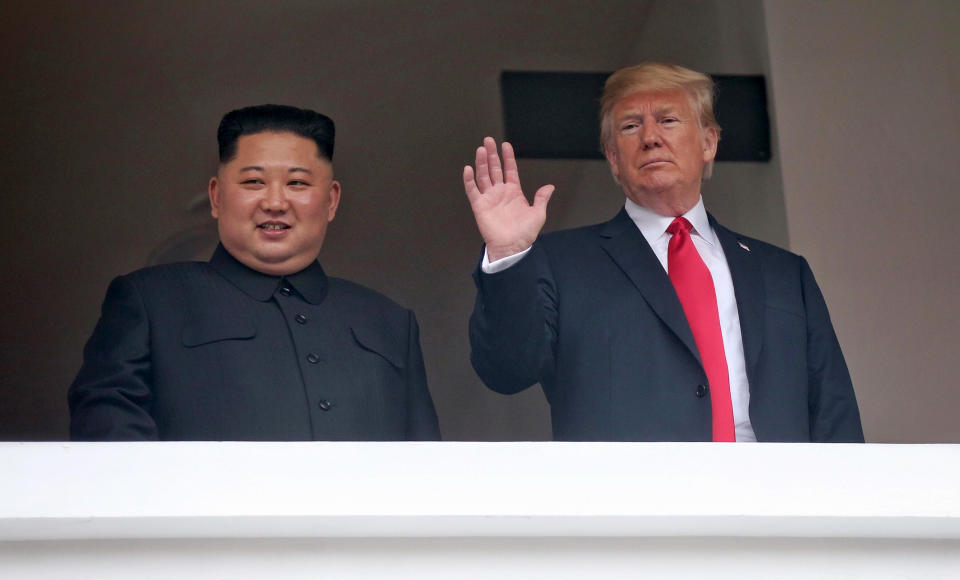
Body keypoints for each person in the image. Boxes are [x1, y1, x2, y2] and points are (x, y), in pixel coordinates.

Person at [464, 62, 862, 443]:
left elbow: (833, 411)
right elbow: (505, 372)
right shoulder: (561, 263)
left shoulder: (784, 273)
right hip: (636, 501)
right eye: (630, 126)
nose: (650, 137)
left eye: (668, 121)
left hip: (773, 498)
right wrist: (510, 255)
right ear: (613, 158)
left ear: (708, 142)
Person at [70, 104, 439, 441]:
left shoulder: (389, 322)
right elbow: (109, 449)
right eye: (253, 182)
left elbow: (428, 474)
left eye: (297, 183)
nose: (275, 203)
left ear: (331, 200)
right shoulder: (151, 301)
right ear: (216, 197)